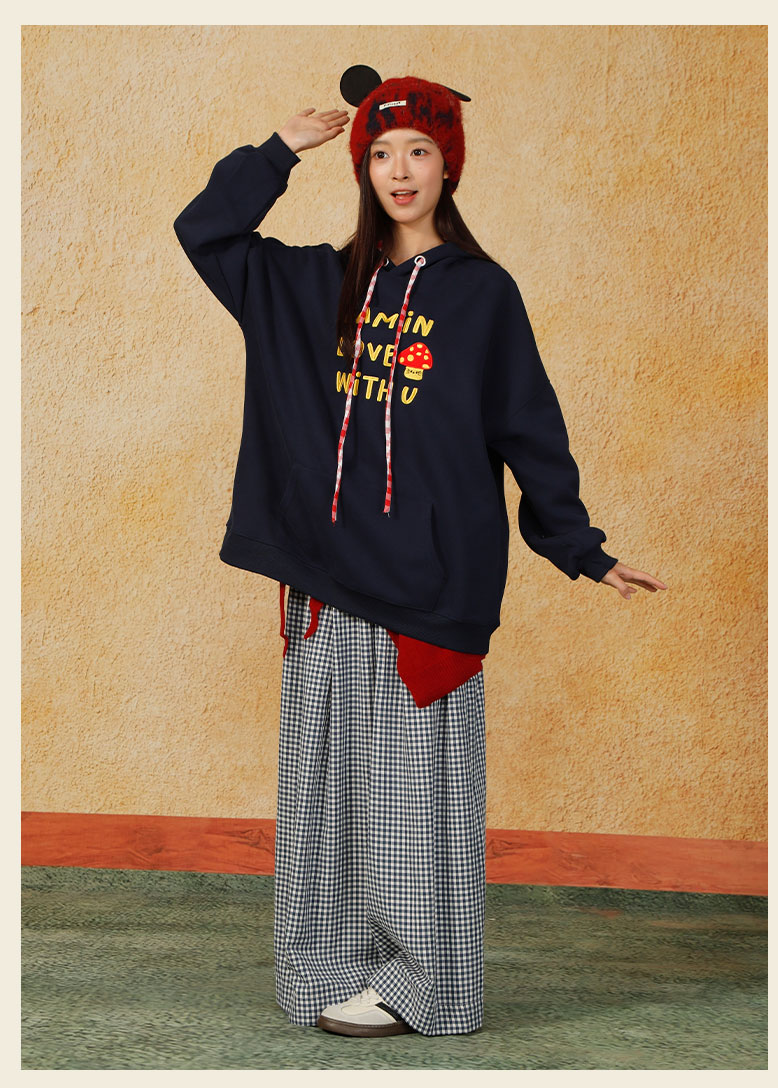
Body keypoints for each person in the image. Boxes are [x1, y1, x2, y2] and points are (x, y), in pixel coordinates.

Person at [173, 69, 667, 1039]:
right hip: (325, 582)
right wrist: (278, 150)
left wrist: (581, 548)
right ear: (362, 168)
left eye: (421, 152)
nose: (401, 171)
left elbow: (528, 429)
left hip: (428, 588)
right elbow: (206, 233)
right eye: (383, 153)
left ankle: (425, 987)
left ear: (449, 167)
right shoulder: (312, 286)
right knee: (322, 800)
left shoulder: (483, 295)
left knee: (414, 811)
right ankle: (326, 967)